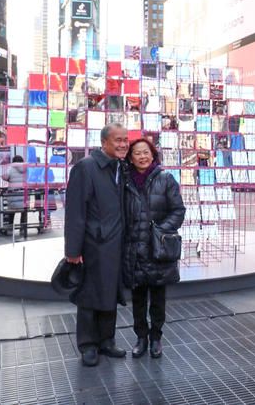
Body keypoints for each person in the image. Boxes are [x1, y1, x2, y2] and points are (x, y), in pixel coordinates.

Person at [64, 124, 129, 367]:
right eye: (117, 140)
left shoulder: (120, 167)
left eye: (125, 139)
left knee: (110, 293)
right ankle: (88, 344)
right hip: (94, 243)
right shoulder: (86, 167)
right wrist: (73, 249)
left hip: (115, 243)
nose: (123, 144)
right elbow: (75, 211)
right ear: (104, 143)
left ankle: (106, 340)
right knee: (90, 294)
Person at [123, 138, 185, 359]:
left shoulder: (165, 179)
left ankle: (156, 338)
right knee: (138, 299)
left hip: (157, 250)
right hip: (133, 250)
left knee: (158, 298)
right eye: (137, 153)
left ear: (152, 155)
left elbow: (178, 211)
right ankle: (141, 338)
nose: (142, 156)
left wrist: (159, 231)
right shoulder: (125, 180)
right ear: (131, 157)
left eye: (145, 152)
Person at [1, 155, 28, 233]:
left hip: (13, 193)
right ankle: (23, 229)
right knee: (24, 211)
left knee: (11, 212)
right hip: (24, 194)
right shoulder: (26, 168)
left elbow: (5, 177)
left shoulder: (11, 167)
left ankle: (10, 228)